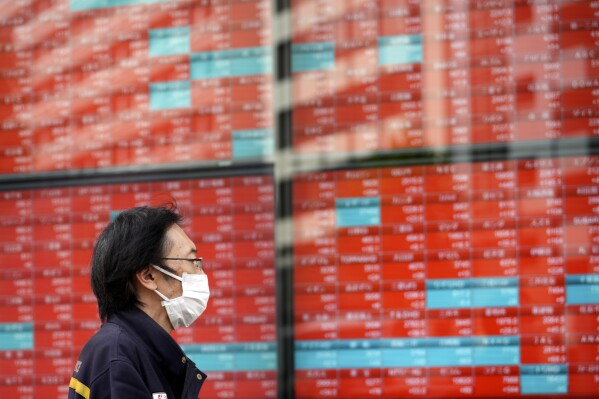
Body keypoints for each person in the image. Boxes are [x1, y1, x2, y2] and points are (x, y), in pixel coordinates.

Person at [68, 205, 210, 399]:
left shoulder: (136, 350)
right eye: (192, 260)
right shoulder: (118, 357)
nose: (199, 273)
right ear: (149, 276)